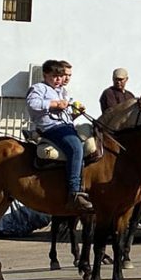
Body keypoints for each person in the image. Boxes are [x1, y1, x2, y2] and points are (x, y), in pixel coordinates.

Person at [26, 59, 92, 212]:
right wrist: (54, 104)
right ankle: (74, 192)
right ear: (45, 74)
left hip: (66, 126)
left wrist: (75, 113)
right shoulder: (39, 88)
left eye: (60, 76)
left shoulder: (61, 91)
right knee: (76, 148)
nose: (58, 80)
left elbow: (66, 115)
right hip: (51, 128)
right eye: (54, 76)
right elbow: (32, 104)